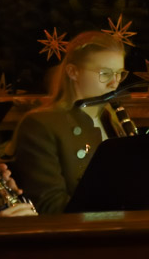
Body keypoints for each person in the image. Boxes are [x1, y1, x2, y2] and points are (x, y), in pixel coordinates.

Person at [11, 32, 135, 213]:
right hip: (76, 235)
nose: (114, 84)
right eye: (105, 73)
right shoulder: (40, 124)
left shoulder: (113, 119)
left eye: (119, 74)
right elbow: (51, 206)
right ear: (73, 72)